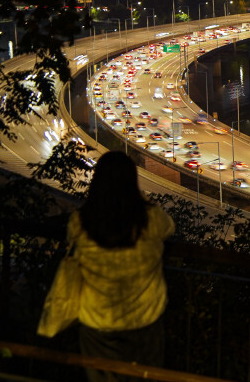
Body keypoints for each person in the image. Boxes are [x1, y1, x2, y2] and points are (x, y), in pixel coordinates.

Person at [70, 151, 175, 381]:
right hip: (143, 318)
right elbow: (169, 229)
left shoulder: (81, 220)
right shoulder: (150, 218)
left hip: (97, 320)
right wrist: (142, 199)